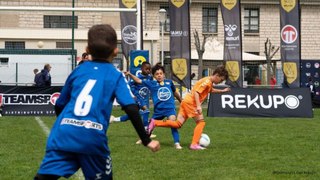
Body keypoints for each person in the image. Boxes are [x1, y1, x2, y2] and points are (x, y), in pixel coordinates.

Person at [34, 24, 160, 180]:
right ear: (115, 50)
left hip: (62, 135)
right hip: (92, 137)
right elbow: (131, 108)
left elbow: (60, 104)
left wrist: (66, 124)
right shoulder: (115, 75)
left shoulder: (78, 70)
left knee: (43, 178)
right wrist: (146, 140)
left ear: (87, 48)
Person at [148, 65, 230, 150]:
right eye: (221, 79)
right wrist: (198, 106)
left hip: (186, 102)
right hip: (191, 103)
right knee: (201, 122)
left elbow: (210, 89)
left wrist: (222, 91)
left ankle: (155, 122)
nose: (221, 82)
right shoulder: (207, 81)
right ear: (217, 75)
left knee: (178, 124)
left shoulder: (208, 81)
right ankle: (194, 144)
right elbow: (197, 92)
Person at [126, 64, 183, 149]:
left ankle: (177, 143)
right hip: (158, 111)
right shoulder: (151, 83)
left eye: (161, 73)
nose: (159, 75)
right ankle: (143, 139)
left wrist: (182, 101)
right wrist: (130, 74)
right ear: (154, 76)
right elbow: (138, 80)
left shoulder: (169, 82)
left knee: (173, 123)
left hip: (169, 109)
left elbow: (175, 93)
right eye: (157, 74)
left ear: (164, 74)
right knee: (150, 126)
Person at [110, 62, 156, 140]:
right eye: (146, 69)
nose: (148, 71)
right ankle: (146, 132)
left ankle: (114, 119)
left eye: (149, 69)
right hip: (138, 98)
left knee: (132, 115)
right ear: (141, 69)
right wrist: (133, 95)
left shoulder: (150, 77)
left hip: (145, 98)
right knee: (146, 111)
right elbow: (129, 85)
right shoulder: (137, 77)